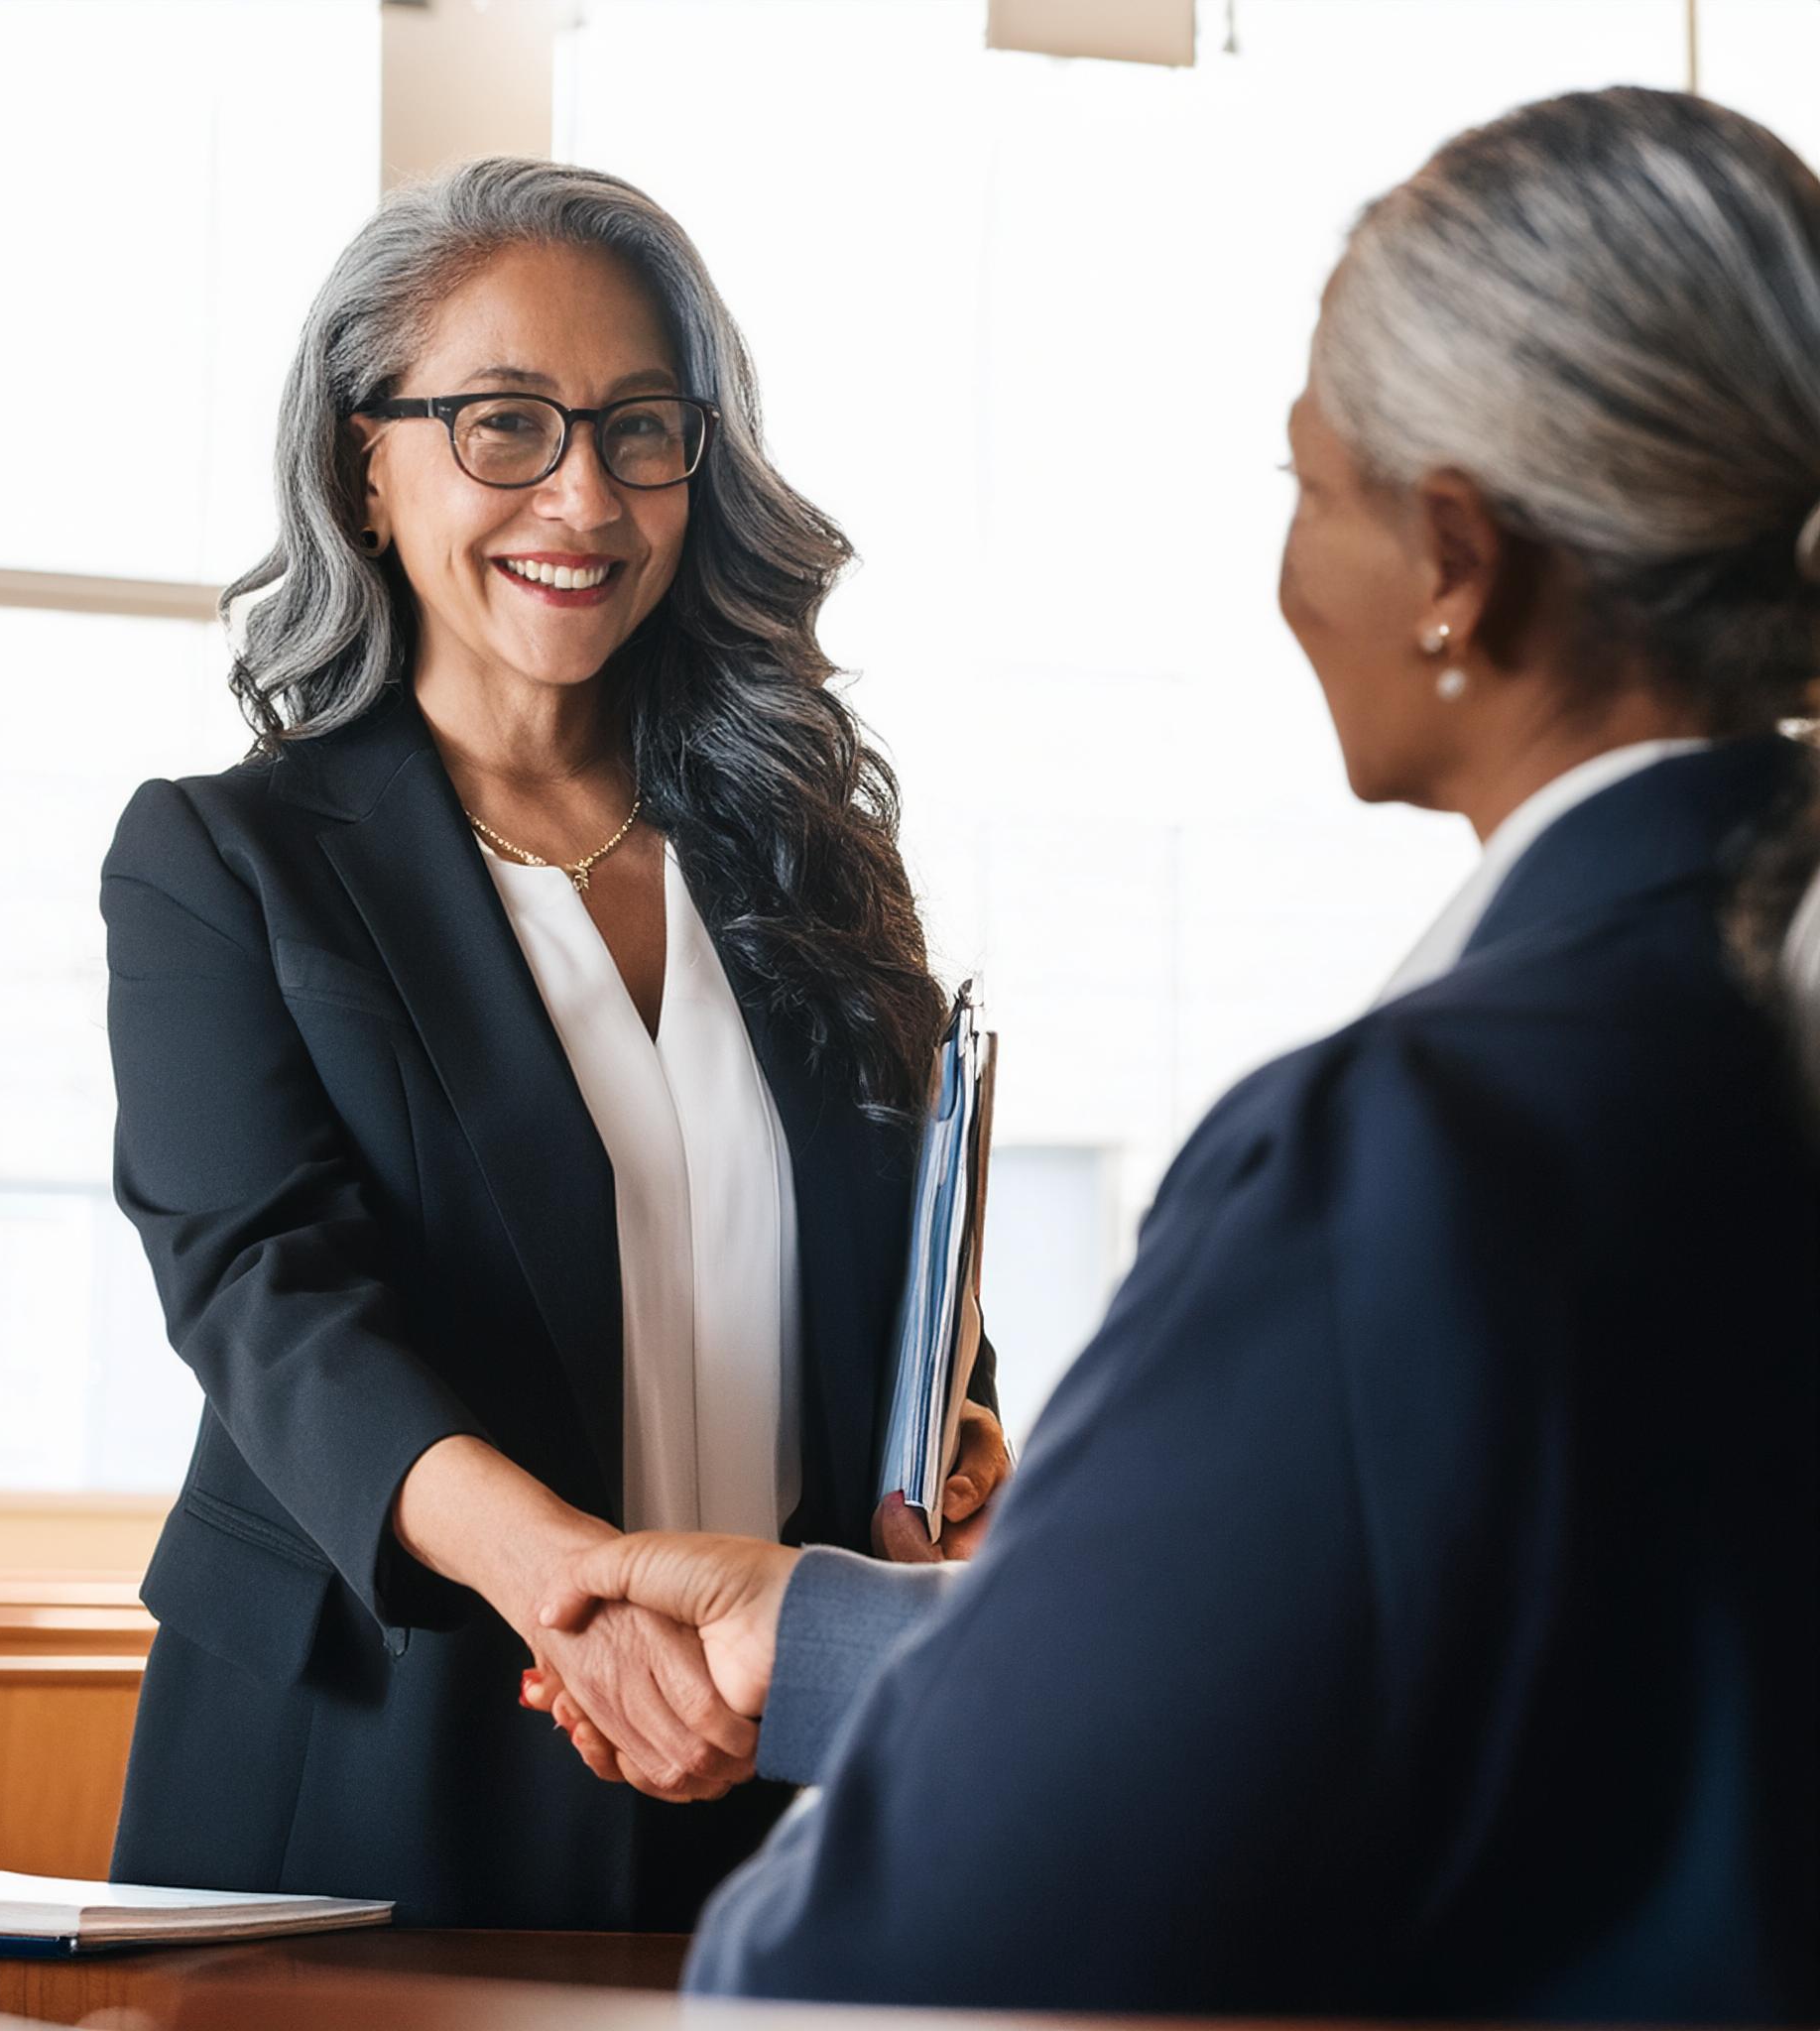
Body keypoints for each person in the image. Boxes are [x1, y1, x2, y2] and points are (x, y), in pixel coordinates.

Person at [525, 88, 1820, 2014]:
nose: (1290, 565)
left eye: (1309, 486)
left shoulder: (1404, 1148)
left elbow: (914, 1940)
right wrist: (834, 1635)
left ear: (1455, 556)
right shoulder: (1732, 1037)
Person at [98, 156, 1008, 1931]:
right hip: (390, 1744)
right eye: (504, 424)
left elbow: (914, 1274)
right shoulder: (227, 860)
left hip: (772, 1744)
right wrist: (581, 1600)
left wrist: (960, 1434)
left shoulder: (811, 854)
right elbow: (270, 1302)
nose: (583, 494)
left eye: (639, 426)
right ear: (369, 460)